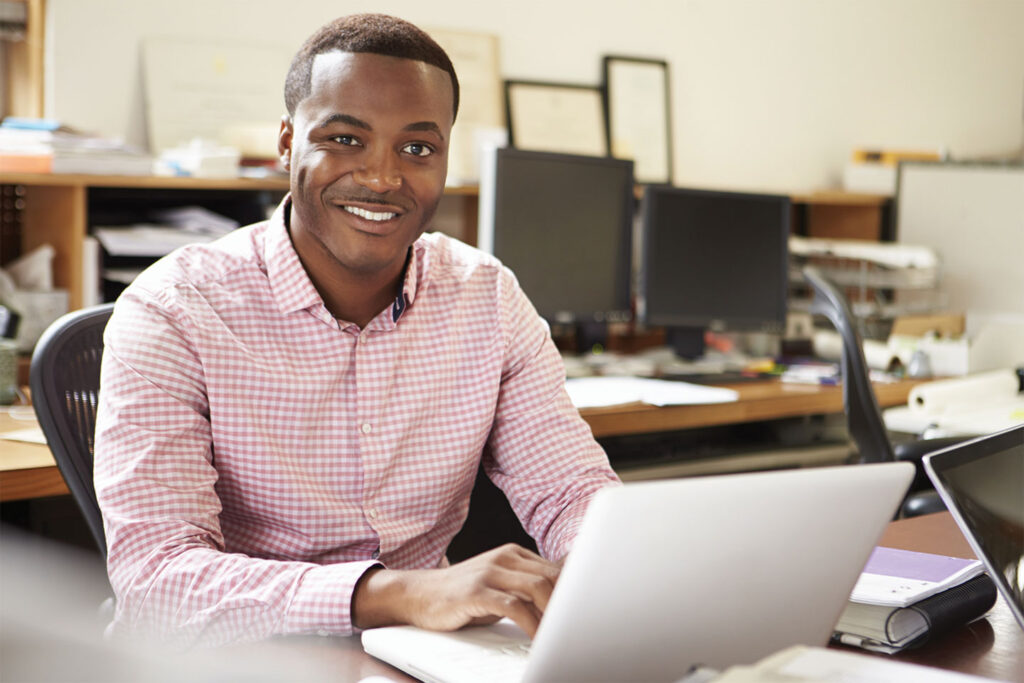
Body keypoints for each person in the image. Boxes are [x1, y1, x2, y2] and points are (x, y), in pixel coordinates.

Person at [93, 13, 620, 648]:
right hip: (234, 657)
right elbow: (156, 581)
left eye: (418, 148)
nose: (381, 177)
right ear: (287, 142)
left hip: (420, 650)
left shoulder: (486, 297)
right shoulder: (173, 310)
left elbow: (571, 492)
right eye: (345, 138)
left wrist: (605, 568)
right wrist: (398, 592)